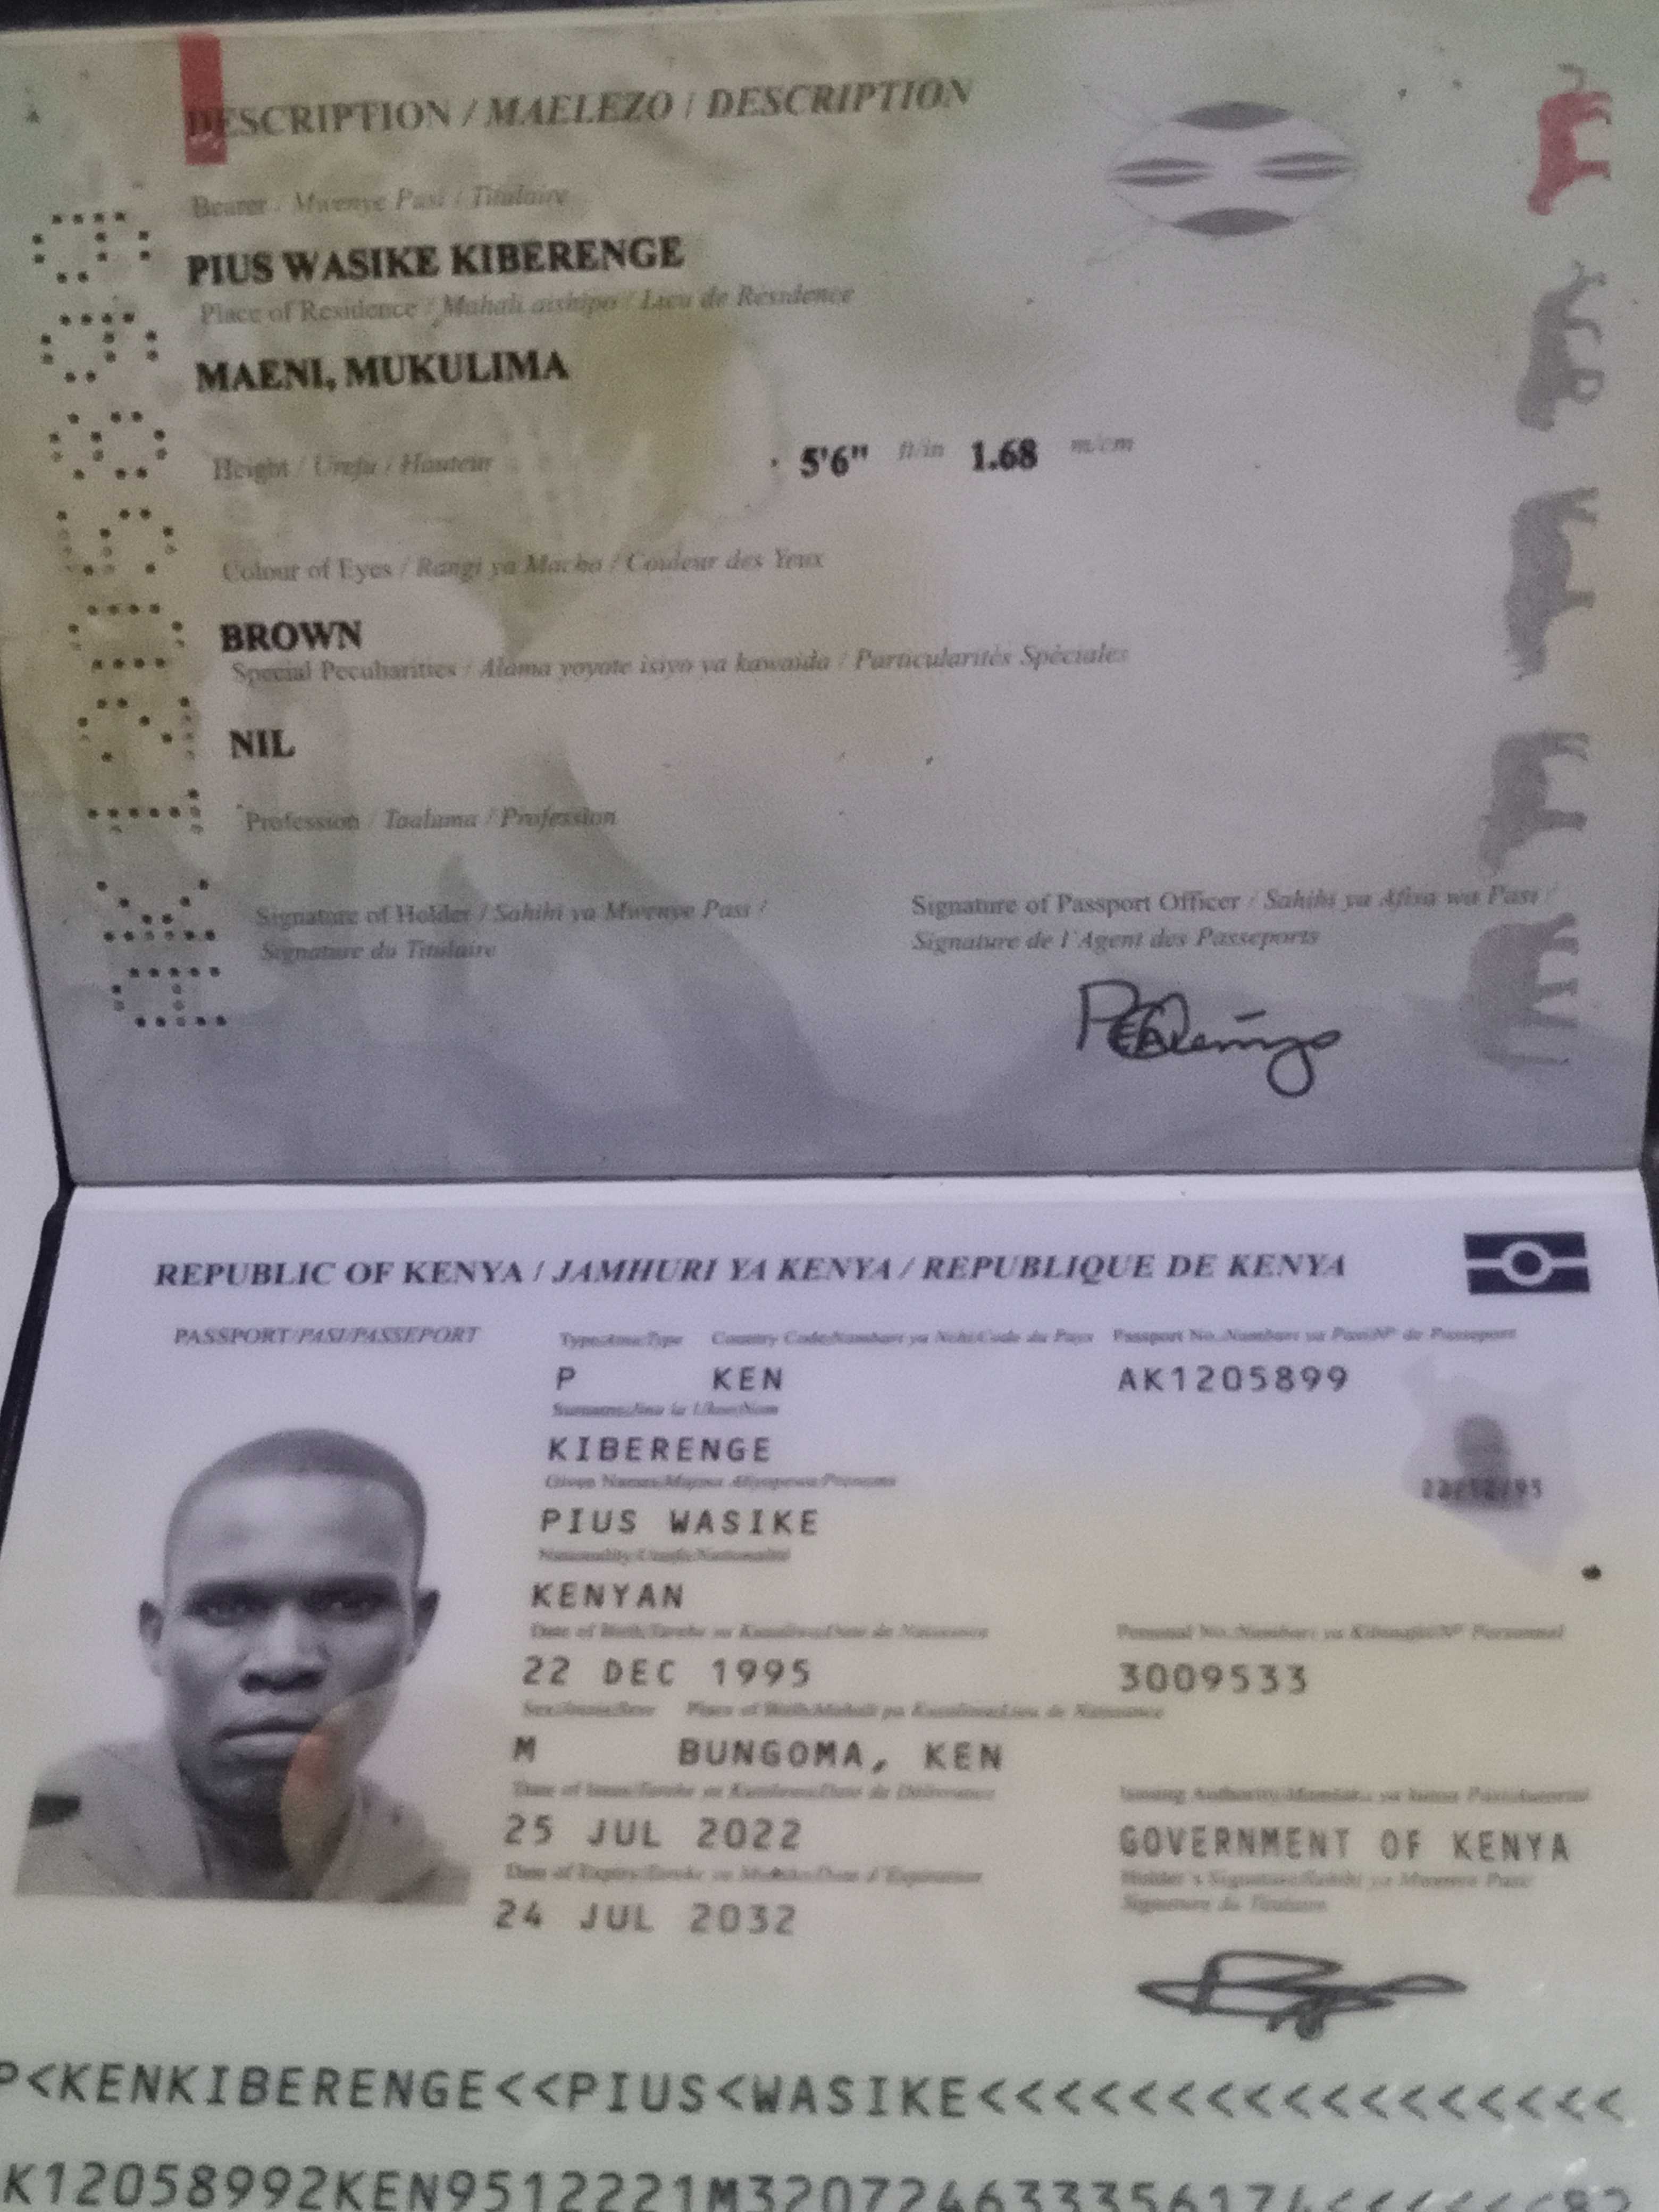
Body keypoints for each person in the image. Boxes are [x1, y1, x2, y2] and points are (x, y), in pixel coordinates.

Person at [16, 1430, 467, 1903]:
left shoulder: (446, 1898)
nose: (285, 1661)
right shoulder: (34, 1850)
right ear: (156, 1636)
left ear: (418, 1626)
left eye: (349, 1603)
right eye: (225, 1608)